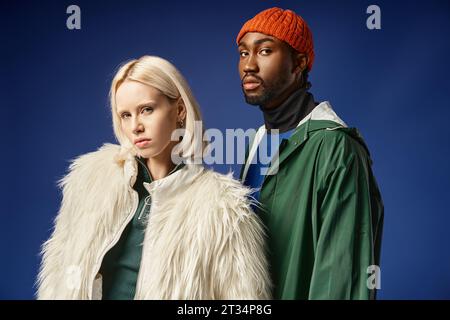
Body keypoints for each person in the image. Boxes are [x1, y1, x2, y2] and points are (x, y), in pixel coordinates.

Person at [37, 55, 271, 300]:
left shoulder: (223, 208)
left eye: (146, 110)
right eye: (125, 115)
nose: (136, 126)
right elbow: (57, 275)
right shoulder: (90, 181)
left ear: (179, 110)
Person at [236, 7, 384, 299]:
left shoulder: (336, 148)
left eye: (265, 51)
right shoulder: (254, 143)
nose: (249, 65)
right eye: (243, 53)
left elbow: (342, 279)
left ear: (299, 63)